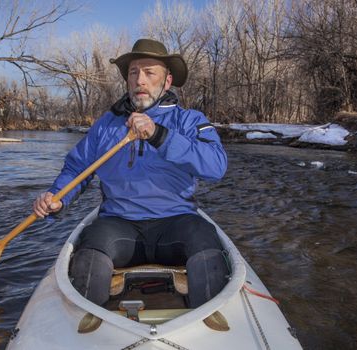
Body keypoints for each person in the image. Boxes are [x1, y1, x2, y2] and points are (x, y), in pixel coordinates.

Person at [33, 38, 229, 309]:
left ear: (167, 81)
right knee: (91, 246)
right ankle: (89, 325)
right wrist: (58, 197)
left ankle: (209, 324)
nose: (140, 80)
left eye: (150, 73)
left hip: (176, 221)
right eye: (134, 72)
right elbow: (77, 168)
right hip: (119, 223)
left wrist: (159, 135)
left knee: (205, 238)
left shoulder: (189, 120)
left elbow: (216, 166)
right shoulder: (106, 125)